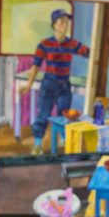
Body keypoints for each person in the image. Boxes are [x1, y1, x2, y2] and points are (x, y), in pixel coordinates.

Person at [19, 9, 90, 156]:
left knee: (64, 115)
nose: (65, 25)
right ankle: (38, 144)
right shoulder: (44, 44)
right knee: (43, 115)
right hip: (49, 84)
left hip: (64, 85)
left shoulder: (72, 44)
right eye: (62, 22)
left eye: (67, 22)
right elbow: (36, 67)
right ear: (54, 25)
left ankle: (62, 140)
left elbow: (89, 52)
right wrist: (28, 85)